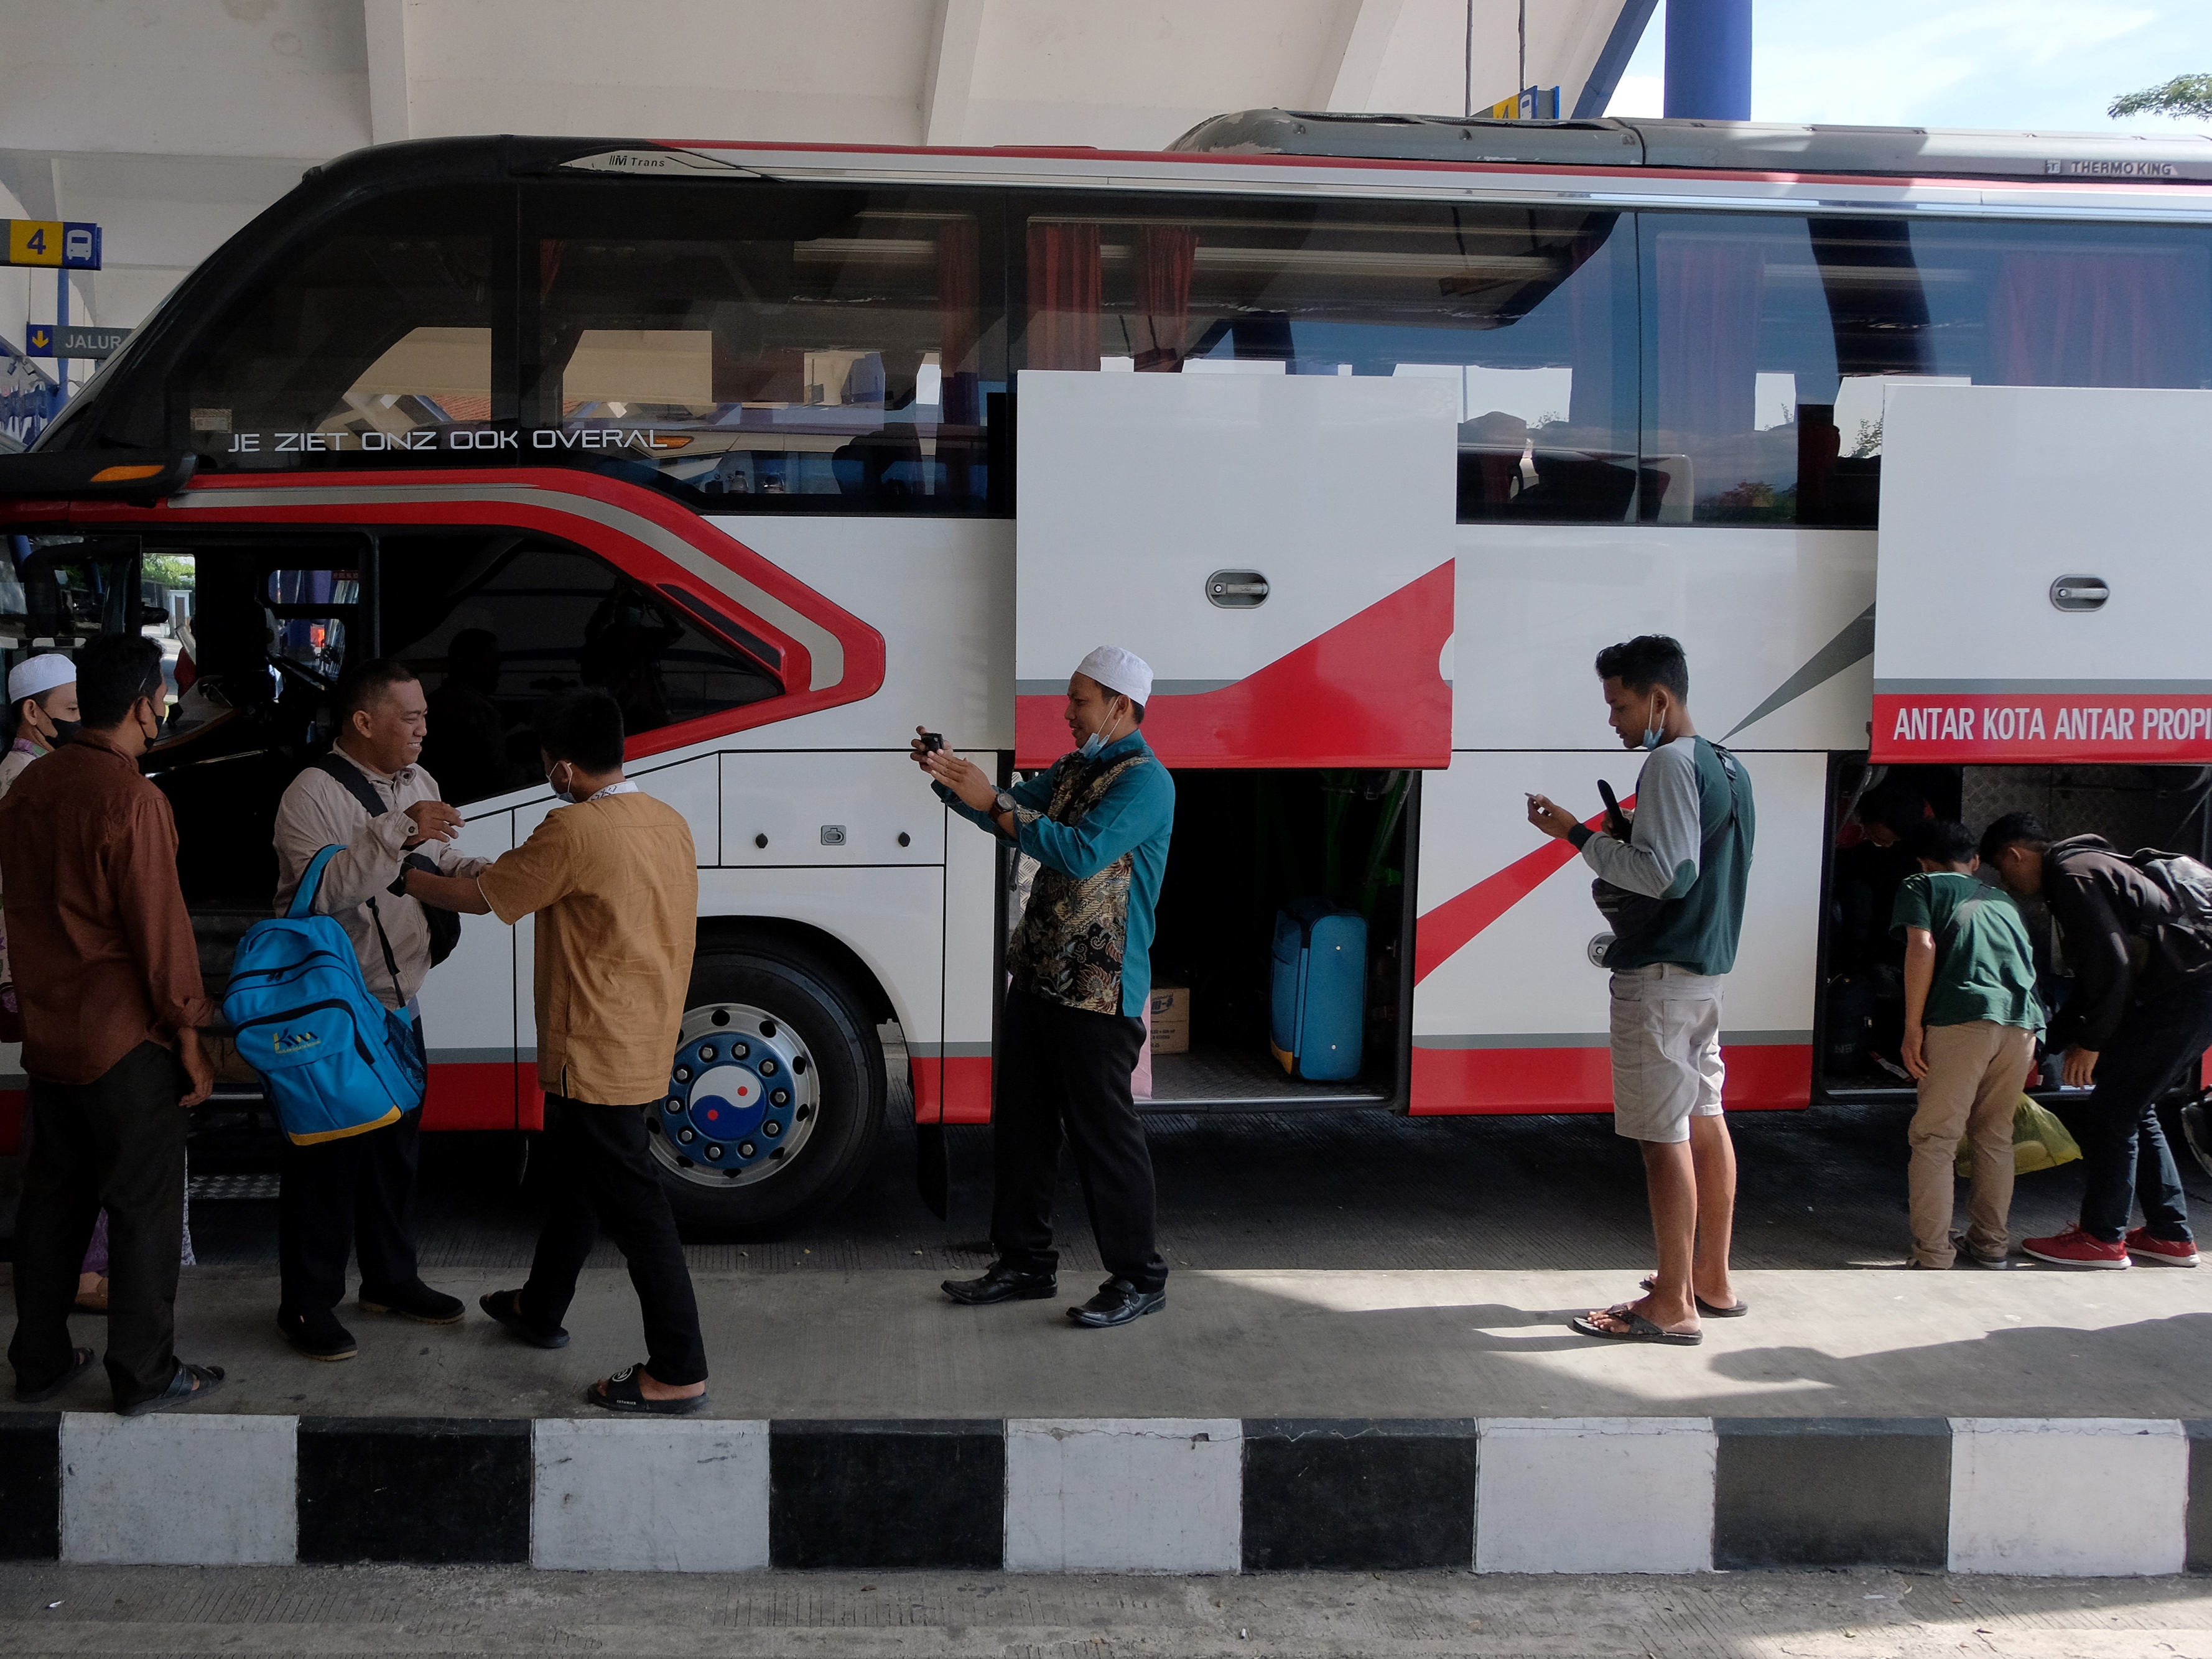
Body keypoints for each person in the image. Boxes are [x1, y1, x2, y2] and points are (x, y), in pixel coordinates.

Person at [411, 688, 710, 1411]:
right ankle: (541, 1307)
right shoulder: (666, 820)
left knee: (639, 1214)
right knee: (581, 1176)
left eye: (546, 762)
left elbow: (488, 897)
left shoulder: (574, 829)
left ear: (565, 769)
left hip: (595, 1046)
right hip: (644, 1034)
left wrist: (403, 878)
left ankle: (678, 1367)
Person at [917, 645, 1177, 1329]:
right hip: (1038, 977)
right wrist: (951, 781)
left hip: (1098, 991)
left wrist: (992, 799)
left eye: (1079, 701)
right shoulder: (1071, 770)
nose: (1066, 713)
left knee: (1103, 1137)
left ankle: (1138, 1276)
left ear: (1120, 706)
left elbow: (1080, 849)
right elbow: (1003, 818)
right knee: (1024, 1129)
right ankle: (1024, 1262)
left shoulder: (1147, 783)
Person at [0, 633, 223, 1415]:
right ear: (141, 705)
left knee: (51, 1205)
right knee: (141, 1210)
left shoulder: (27, 789)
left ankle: (39, 1361)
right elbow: (162, 939)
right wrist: (193, 1040)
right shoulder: (134, 798)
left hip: (51, 1036)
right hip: (124, 1042)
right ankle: (144, 1373)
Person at [1527, 634, 1755, 1345]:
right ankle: (1708, 1281)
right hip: (1706, 973)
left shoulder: (1667, 762)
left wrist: (1577, 836)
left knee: (1662, 1140)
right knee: (1706, 1119)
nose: (1614, 721)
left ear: (1660, 699)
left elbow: (1667, 875)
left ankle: (1670, 1306)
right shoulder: (1728, 764)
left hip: (1658, 979)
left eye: (1620, 705)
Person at [268, 659, 482, 1360]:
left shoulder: (419, 784)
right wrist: (397, 830)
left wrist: (482, 873)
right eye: (410, 718)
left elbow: (433, 864)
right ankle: (305, 1306)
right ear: (363, 723)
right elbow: (322, 891)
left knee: (397, 1151)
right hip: (335, 1011)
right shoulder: (310, 794)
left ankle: (391, 1280)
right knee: (327, 1162)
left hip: (399, 1005)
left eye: (424, 716)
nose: (424, 728)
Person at [1980, 813, 2210, 1269]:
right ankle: (2169, 1233)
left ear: (2015, 854)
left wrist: (2093, 1042)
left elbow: (2112, 963)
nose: (2007, 885)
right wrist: (2051, 1041)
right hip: (2193, 988)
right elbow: (2094, 980)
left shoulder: (2071, 873)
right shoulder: (2090, 864)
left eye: (2004, 872)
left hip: (2185, 990)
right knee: (2134, 1104)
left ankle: (2101, 1237)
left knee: (2113, 1108)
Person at [1893, 819, 2043, 1270]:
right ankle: (1990, 1244)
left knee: (1936, 1136)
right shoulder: (2003, 900)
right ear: (1975, 861)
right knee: (1994, 1135)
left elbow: (1921, 946)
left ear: (1923, 860)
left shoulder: (1921, 883)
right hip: (2022, 1025)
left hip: (1961, 1021)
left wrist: (1912, 1026)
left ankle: (1935, 1251)